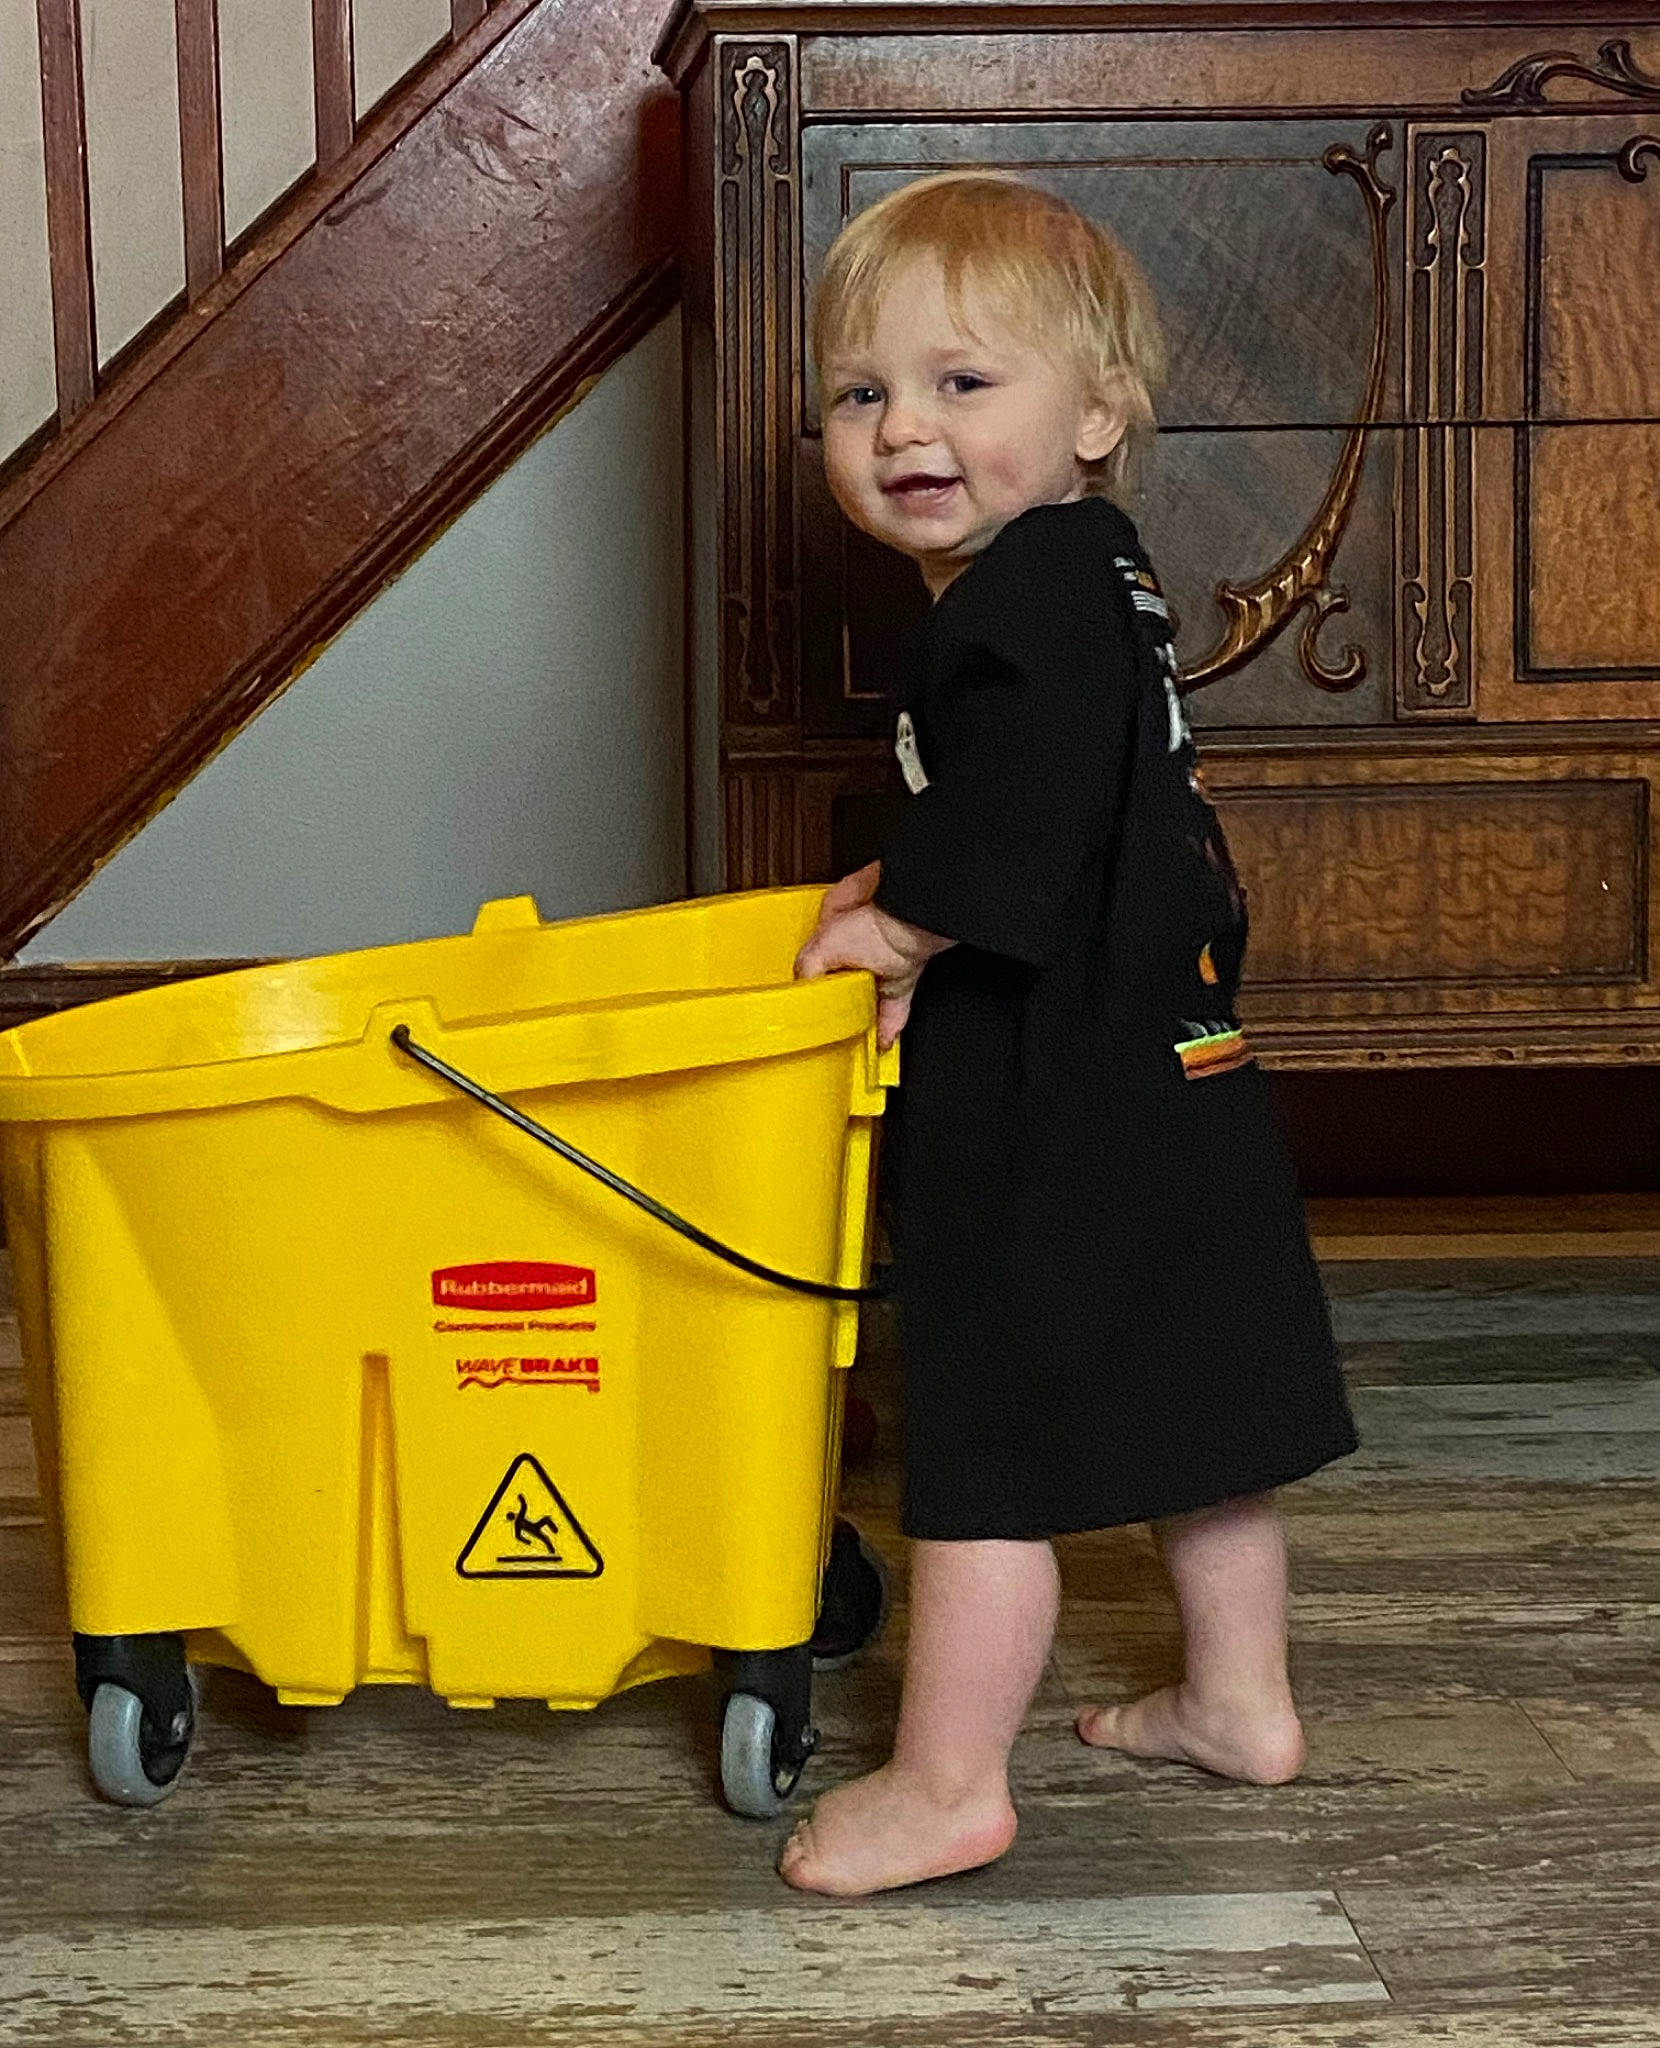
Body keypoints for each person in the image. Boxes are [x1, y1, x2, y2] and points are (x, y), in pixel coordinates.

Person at [786, 172, 1358, 1898]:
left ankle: (949, 1779)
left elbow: (1023, 812)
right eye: (861, 393)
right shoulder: (1101, 577)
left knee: (985, 1438)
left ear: (1098, 412)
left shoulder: (1007, 602)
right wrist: (915, 876)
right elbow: (1083, 802)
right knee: (1202, 1400)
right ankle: (1240, 1698)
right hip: (1176, 1063)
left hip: (1055, 1102)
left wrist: (896, 920)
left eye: (965, 383)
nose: (904, 429)